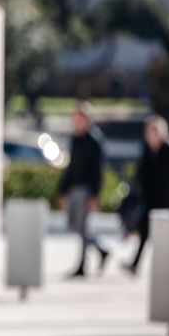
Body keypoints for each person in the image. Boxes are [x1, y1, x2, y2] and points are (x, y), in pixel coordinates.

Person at [125, 114, 169, 274]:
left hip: (168, 199)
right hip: (151, 198)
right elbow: (141, 173)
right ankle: (135, 263)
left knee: (167, 236)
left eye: (152, 133)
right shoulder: (148, 149)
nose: (148, 137)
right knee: (144, 231)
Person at [57, 102, 109, 277]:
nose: (76, 122)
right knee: (74, 225)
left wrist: (94, 194)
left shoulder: (94, 141)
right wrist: (62, 190)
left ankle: (82, 265)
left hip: (86, 189)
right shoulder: (75, 139)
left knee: (82, 227)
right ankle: (101, 250)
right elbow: (71, 168)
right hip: (74, 188)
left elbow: (97, 171)